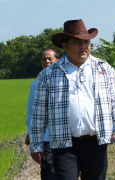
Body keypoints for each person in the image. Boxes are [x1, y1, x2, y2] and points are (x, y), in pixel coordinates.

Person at [29, 19, 115, 180]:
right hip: (63, 143)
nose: (83, 46)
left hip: (96, 142)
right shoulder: (49, 74)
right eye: (77, 42)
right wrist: (36, 144)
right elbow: (39, 112)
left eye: (86, 42)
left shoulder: (104, 68)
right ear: (65, 46)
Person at [25, 48, 59, 180]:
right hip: (46, 136)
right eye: (44, 59)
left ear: (57, 60)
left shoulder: (66, 79)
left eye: (50, 58)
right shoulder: (35, 83)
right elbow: (31, 110)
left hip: (67, 135)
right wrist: (30, 132)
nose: (47, 61)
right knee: (48, 168)